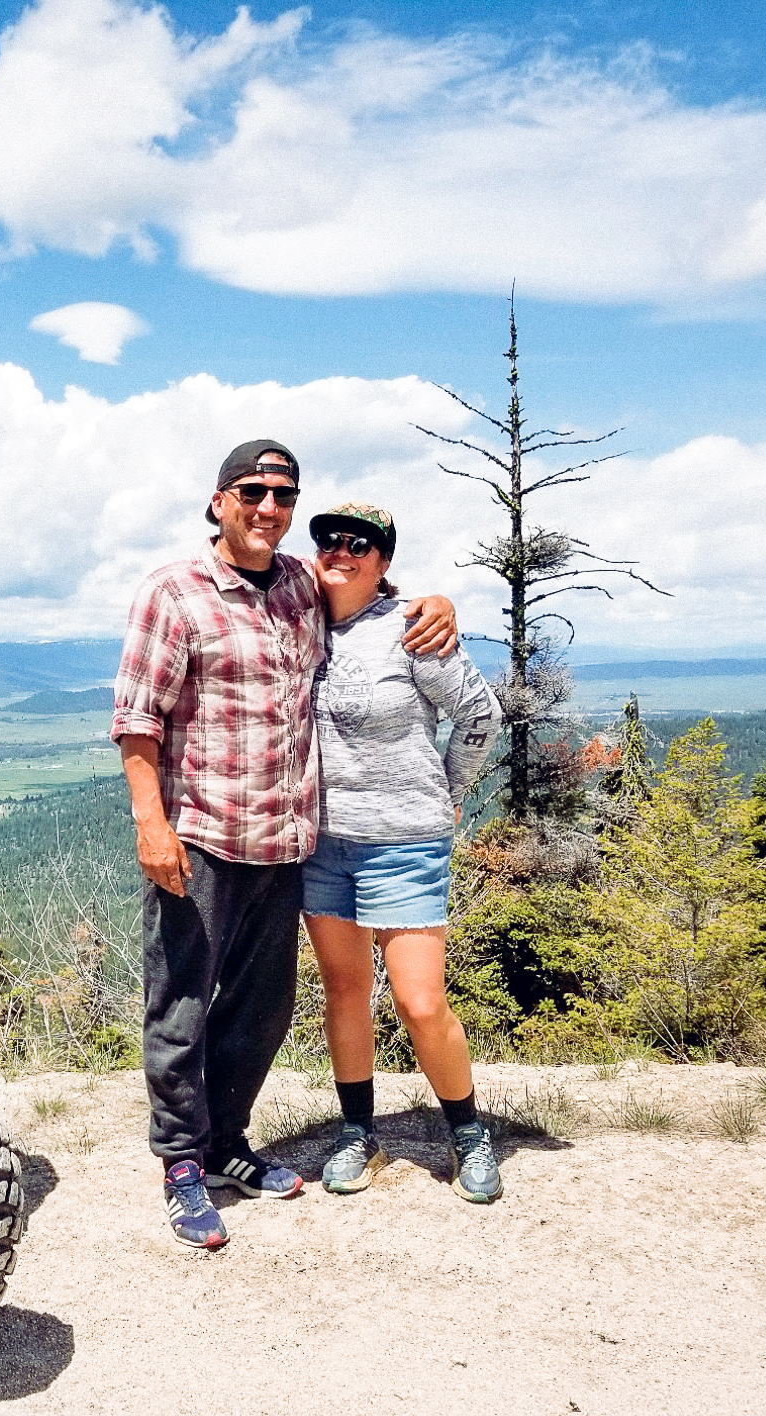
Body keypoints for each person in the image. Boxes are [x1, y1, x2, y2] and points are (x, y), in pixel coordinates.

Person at [112, 443, 459, 1249]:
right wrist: (150, 823)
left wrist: (439, 602)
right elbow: (137, 718)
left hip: (283, 841)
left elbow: (369, 592)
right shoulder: (174, 592)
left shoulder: (302, 585)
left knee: (262, 1012)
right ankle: (181, 1164)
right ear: (219, 501)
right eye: (253, 491)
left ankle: (227, 1143)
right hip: (198, 835)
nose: (269, 506)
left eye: (283, 494)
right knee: (182, 1007)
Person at [301, 501, 505, 1203]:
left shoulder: (414, 629)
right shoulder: (297, 621)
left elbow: (481, 715)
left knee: (420, 1003)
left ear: (384, 562)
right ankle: (360, 1133)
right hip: (323, 842)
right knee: (345, 991)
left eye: (362, 543)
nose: (342, 550)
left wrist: (448, 793)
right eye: (330, 538)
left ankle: (470, 1133)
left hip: (406, 842)